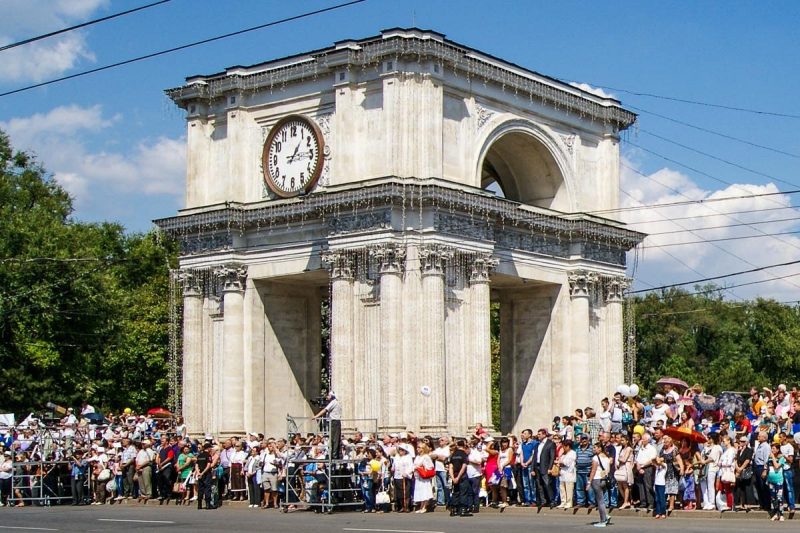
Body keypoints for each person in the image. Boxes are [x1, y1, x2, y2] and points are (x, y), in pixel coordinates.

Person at [313, 392, 342, 460]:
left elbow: (325, 410)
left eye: (329, 395)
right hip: (334, 422)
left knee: (334, 439)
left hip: (334, 422)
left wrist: (316, 416)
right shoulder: (335, 402)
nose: (327, 397)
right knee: (333, 439)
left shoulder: (333, 402)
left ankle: (334, 455)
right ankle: (333, 454)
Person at [588, 442, 611, 527]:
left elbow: (593, 471)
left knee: (600, 501)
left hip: (597, 479)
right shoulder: (607, 457)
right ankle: (606, 515)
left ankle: (603, 520)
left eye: (595, 447)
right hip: (604, 479)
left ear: (600, 448)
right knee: (602, 499)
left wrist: (589, 482)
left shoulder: (595, 458)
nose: (594, 449)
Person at [448, 439, 472, 517]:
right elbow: (463, 467)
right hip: (462, 476)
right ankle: (463, 510)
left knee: (455, 492)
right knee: (463, 492)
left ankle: (454, 510)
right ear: (464, 446)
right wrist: (458, 477)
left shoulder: (454, 455)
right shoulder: (463, 454)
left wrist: (453, 477)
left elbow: (450, 467)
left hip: (454, 475)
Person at [533, 428, 555, 510]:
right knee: (539, 485)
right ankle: (543, 501)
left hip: (545, 467)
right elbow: (534, 457)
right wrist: (532, 469)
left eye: (539, 434)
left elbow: (552, 457)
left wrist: (550, 468)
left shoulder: (550, 444)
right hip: (537, 466)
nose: (538, 436)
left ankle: (552, 500)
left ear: (544, 434)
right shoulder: (537, 444)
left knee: (547, 484)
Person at [634, 432, 657, 511]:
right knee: (641, 486)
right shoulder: (641, 448)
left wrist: (642, 466)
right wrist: (638, 466)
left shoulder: (651, 448)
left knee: (648, 486)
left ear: (648, 440)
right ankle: (643, 502)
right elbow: (637, 458)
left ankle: (651, 502)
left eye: (644, 439)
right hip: (640, 468)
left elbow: (652, 460)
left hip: (648, 468)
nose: (642, 441)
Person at [765, 443, 786, 521]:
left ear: (778, 449)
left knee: (779, 497)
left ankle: (781, 514)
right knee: (773, 498)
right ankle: (775, 513)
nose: (772, 450)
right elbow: (766, 466)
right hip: (771, 480)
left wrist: (773, 457)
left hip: (778, 480)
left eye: (774, 449)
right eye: (772, 449)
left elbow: (777, 466)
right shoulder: (769, 458)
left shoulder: (781, 458)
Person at [413, 442, 435, 513]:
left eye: (419, 447)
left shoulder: (426, 457)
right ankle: (421, 506)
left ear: (423, 449)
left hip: (424, 477)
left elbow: (430, 466)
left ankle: (425, 506)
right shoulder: (418, 457)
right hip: (418, 476)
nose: (417, 449)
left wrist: (420, 466)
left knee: (424, 490)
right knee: (420, 491)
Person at [733, 436, 753, 512]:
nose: (741, 442)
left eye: (743, 441)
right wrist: (737, 468)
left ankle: (747, 504)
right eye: (740, 441)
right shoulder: (739, 450)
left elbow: (747, 460)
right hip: (738, 469)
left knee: (746, 487)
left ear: (746, 442)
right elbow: (736, 459)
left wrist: (740, 469)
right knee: (740, 487)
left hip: (745, 470)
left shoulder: (749, 450)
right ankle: (741, 503)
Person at [614, 434, 634, 509]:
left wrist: (619, 459)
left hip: (626, 466)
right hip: (621, 467)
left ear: (627, 441)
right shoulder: (622, 449)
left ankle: (626, 501)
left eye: (623, 440)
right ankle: (626, 500)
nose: (621, 442)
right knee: (619, 484)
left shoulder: (629, 449)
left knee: (625, 485)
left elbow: (624, 459)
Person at [393, 443, 414, 513]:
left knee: (406, 492)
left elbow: (411, 467)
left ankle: (407, 506)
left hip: (405, 476)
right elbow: (394, 465)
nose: (401, 451)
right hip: (397, 476)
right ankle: (401, 506)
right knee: (399, 492)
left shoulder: (408, 457)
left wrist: (407, 473)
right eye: (400, 450)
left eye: (402, 450)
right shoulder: (396, 457)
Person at [194, 442, 216, 510]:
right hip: (206, 474)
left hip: (200, 474)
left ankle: (199, 505)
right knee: (207, 489)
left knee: (200, 489)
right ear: (208, 448)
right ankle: (207, 505)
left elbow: (196, 465)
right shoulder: (208, 456)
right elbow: (209, 465)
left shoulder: (200, 455)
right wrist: (203, 473)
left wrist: (198, 473)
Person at [557, 439, 576, 509]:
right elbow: (560, 461)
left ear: (568, 446)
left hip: (569, 474)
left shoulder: (572, 453)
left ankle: (569, 502)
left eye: (564, 446)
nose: (563, 448)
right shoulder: (563, 454)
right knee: (562, 488)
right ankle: (563, 502)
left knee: (569, 489)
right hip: (562, 474)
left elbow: (566, 463)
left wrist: (560, 463)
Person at [432, 436, 451, 507]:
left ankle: (448, 500)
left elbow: (445, 458)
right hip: (437, 469)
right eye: (439, 440)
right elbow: (432, 456)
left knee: (446, 486)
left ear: (446, 442)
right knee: (439, 486)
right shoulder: (438, 449)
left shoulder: (448, 449)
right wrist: (438, 457)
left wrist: (437, 456)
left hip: (444, 469)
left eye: (442, 440)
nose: (440, 441)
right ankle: (440, 501)